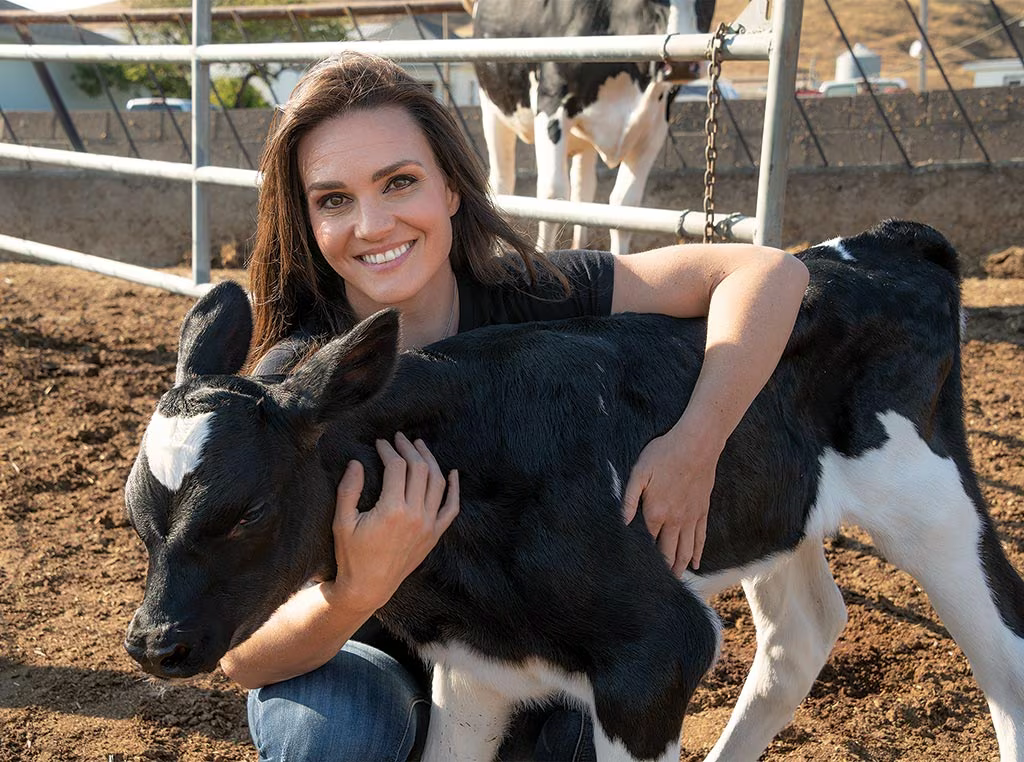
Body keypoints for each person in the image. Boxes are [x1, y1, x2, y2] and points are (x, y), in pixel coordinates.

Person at [219, 51, 809, 762]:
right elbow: (243, 657)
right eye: (334, 199)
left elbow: (767, 271)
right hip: (364, 660)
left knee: (585, 718)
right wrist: (357, 589)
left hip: (522, 641)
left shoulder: (536, 298)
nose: (372, 224)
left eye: (399, 182)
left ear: (452, 190)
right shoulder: (292, 383)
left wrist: (696, 442)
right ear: (307, 219)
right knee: (332, 732)